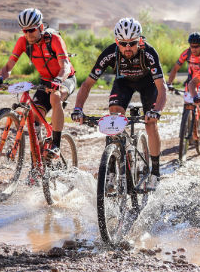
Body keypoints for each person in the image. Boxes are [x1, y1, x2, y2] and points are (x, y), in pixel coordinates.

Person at [71, 17, 167, 191]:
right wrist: (78, 108)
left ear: (140, 40)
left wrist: (156, 111)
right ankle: (112, 167)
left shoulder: (149, 53)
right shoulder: (110, 53)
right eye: (123, 43)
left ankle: (155, 172)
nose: (128, 47)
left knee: (150, 124)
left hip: (148, 84)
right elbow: (86, 85)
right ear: (117, 41)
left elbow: (162, 88)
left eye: (132, 43)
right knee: (114, 115)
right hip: (123, 82)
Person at [0, 8, 76, 159]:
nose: (28, 34)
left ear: (41, 27)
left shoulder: (54, 39)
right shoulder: (23, 42)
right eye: (25, 31)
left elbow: (65, 67)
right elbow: (9, 66)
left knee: (55, 97)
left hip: (65, 78)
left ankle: (56, 145)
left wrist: (57, 81)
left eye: (32, 30)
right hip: (45, 81)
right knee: (36, 117)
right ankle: (39, 160)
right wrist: (0, 78)